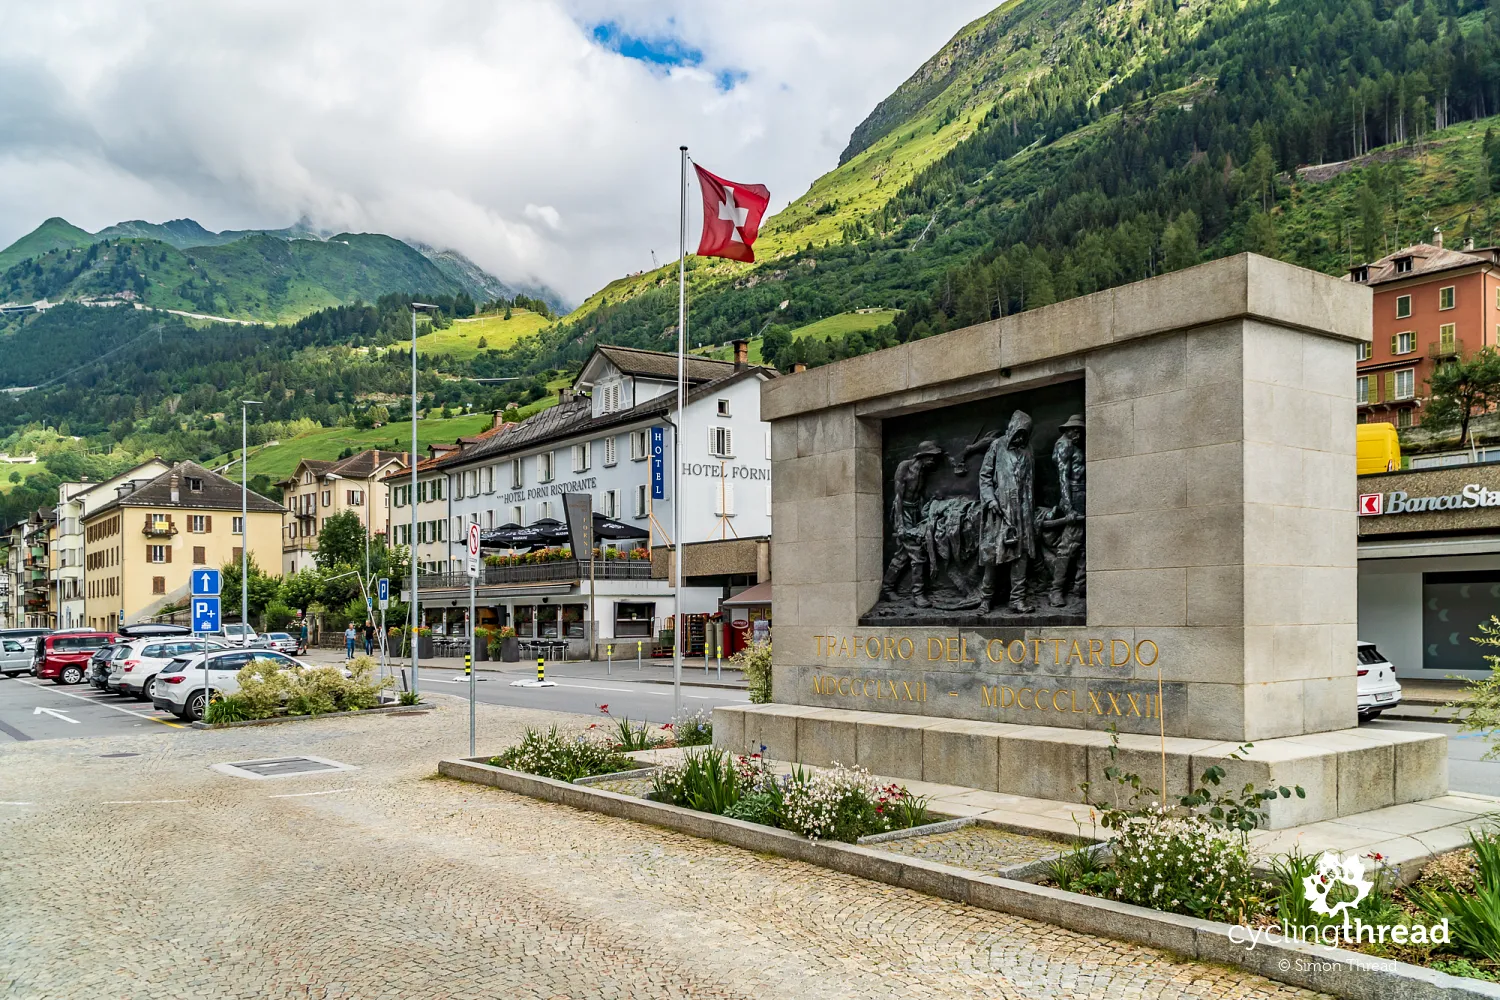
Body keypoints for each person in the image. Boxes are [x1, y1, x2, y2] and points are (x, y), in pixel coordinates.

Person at [978, 410, 1037, 614]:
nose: (1020, 438)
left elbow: (1030, 482)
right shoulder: (997, 445)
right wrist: (990, 500)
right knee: (993, 555)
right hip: (998, 510)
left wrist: (1027, 510)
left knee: (1021, 555)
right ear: (1012, 429)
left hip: (1022, 511)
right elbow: (984, 476)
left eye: (1025, 434)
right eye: (1018, 433)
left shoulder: (1028, 450)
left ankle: (1017, 599)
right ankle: (985, 599)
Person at [879, 440, 945, 607]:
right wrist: (900, 525)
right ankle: (918, 594)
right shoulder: (905, 467)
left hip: (915, 512)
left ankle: (887, 588)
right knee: (917, 555)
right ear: (922, 456)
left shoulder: (923, 471)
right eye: (931, 456)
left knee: (902, 555)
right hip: (903, 512)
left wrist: (925, 510)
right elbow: (898, 498)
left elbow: (918, 495)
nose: (933, 460)